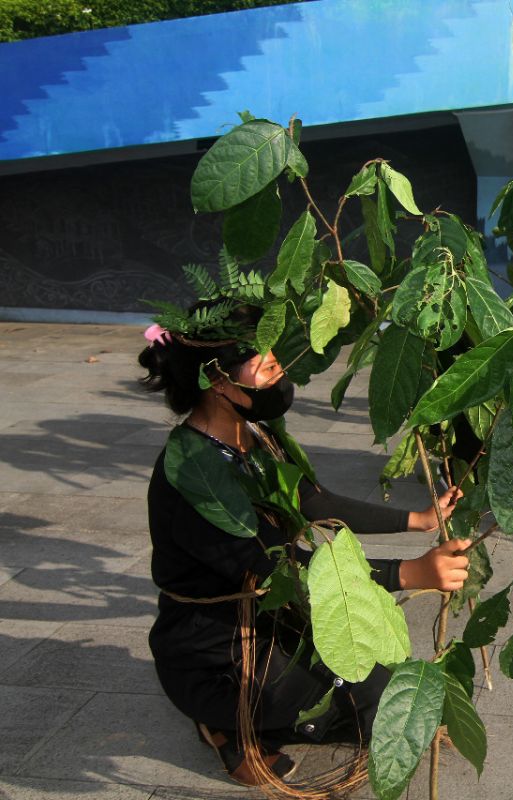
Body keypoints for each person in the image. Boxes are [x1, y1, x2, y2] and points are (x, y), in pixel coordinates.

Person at [138, 301, 468, 785]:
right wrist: (410, 573)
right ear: (219, 382)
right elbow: (282, 570)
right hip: (215, 651)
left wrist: (416, 519)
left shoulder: (252, 432)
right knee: (361, 695)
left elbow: (316, 501)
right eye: (262, 359)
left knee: (377, 686)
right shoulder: (192, 476)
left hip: (269, 615)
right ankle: (225, 724)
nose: (278, 365)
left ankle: (277, 710)